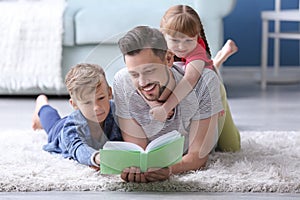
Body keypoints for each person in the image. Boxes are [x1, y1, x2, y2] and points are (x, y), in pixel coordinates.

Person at [113, 25, 225, 183]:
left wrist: (169, 169)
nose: (142, 82)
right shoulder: (122, 81)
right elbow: (138, 150)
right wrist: (138, 168)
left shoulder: (204, 83)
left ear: (168, 59)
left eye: (149, 71)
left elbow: (197, 157)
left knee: (230, 142)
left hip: (210, 104)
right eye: (134, 74)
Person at [149, 5, 240, 152]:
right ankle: (216, 60)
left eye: (188, 40)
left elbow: (190, 80)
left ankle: (217, 61)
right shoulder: (157, 46)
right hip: (192, 75)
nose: (182, 46)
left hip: (211, 86)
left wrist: (166, 108)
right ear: (163, 34)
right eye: (175, 40)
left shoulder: (196, 50)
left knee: (231, 147)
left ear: (197, 36)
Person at [31, 63, 122, 170]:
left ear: (109, 93)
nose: (96, 107)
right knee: (50, 121)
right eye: (88, 102)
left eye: (101, 98)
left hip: (82, 116)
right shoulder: (71, 127)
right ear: (74, 104)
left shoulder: (118, 111)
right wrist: (96, 157)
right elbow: (77, 147)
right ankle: (41, 103)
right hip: (60, 129)